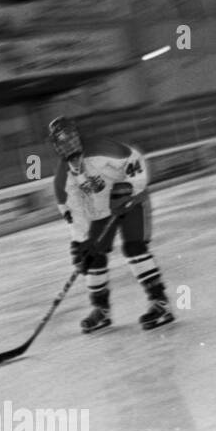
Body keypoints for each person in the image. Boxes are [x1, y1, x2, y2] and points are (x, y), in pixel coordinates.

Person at [49, 115, 175, 333]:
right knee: (92, 256)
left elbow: (135, 159)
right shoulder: (62, 180)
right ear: (56, 145)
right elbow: (75, 214)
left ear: (77, 134)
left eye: (70, 135)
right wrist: (80, 243)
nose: (68, 142)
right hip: (101, 212)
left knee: (134, 248)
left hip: (132, 201)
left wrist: (129, 187)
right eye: (62, 139)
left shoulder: (102, 148)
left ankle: (160, 303)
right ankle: (101, 310)